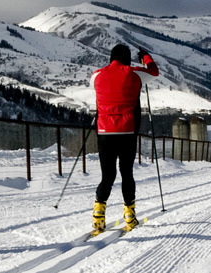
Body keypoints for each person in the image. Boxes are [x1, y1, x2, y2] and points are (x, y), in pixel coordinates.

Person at [89, 44, 159, 232]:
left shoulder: (96, 75)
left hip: (104, 132)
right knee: (127, 174)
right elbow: (154, 72)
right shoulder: (134, 73)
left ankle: (98, 216)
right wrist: (145, 57)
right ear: (127, 59)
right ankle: (129, 216)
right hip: (127, 131)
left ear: (111, 58)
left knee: (107, 176)